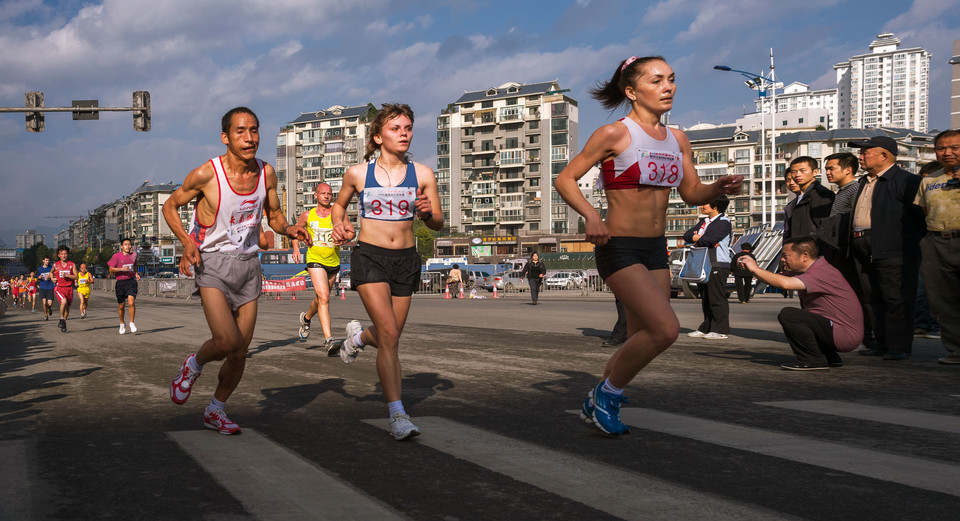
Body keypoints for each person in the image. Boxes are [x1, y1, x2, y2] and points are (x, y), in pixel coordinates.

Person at [554, 55, 743, 435]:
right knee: (666, 330)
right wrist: (592, 216)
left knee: (643, 336)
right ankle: (606, 394)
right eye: (657, 80)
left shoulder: (678, 139)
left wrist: (716, 188)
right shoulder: (615, 134)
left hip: (656, 248)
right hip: (619, 245)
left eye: (671, 79)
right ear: (631, 91)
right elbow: (565, 179)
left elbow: (691, 192)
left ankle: (598, 399)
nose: (668, 87)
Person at [163, 106, 311, 436]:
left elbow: (273, 216)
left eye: (254, 130)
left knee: (241, 351)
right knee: (227, 340)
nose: (249, 137)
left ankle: (215, 409)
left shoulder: (266, 173)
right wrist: (186, 241)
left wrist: (289, 230)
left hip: (248, 266)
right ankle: (193, 365)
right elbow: (170, 205)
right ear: (225, 137)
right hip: (213, 264)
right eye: (241, 131)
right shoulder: (207, 174)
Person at [330, 103, 443, 441]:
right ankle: (397, 414)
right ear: (378, 136)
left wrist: (427, 213)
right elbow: (339, 206)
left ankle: (357, 338)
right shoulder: (357, 174)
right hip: (370, 257)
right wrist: (340, 224)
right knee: (390, 336)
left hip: (407, 260)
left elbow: (437, 223)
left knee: (387, 336)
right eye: (396, 128)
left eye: (408, 127)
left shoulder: (423, 174)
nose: (404, 133)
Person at [848, 135, 925, 360]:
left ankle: (898, 346)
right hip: (861, 242)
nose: (861, 157)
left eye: (866, 152)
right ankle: (880, 342)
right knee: (871, 297)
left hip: (893, 247)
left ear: (884, 155)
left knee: (896, 297)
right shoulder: (863, 181)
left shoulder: (906, 180)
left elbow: (920, 218)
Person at [738, 237, 863, 370]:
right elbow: (779, 277)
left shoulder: (822, 272)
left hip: (844, 335)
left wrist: (755, 269)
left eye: (786, 256)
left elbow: (785, 283)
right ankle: (829, 357)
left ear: (805, 256)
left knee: (790, 315)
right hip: (837, 331)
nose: (782, 259)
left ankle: (813, 360)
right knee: (806, 314)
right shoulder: (812, 270)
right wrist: (753, 268)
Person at [914, 130, 960, 364]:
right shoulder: (929, 180)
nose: (947, 153)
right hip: (936, 241)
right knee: (942, 299)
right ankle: (956, 350)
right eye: (941, 148)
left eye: (954, 147)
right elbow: (925, 212)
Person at [291, 182, 341, 353]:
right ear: (316, 195)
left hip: (333, 261)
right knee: (325, 297)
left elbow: (350, 231)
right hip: (314, 259)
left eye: (329, 193)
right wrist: (296, 248)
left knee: (320, 299)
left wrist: (347, 237)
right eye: (323, 193)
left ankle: (306, 318)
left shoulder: (337, 214)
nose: (327, 196)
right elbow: (296, 232)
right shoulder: (307, 215)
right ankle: (329, 340)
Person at [683, 196, 733, 339]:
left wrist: (699, 238)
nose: (702, 205)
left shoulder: (723, 222)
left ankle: (720, 330)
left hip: (717, 263)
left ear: (715, 206)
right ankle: (706, 327)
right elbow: (686, 235)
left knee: (716, 297)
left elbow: (709, 239)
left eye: (705, 203)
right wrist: (700, 238)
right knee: (705, 297)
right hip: (704, 263)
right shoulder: (704, 221)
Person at [782, 156, 835, 240]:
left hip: (813, 250)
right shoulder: (797, 201)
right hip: (797, 249)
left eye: (802, 171)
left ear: (815, 172)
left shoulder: (821, 195)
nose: (797, 175)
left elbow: (825, 229)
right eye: (794, 172)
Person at [108, 238, 141, 334]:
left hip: (131, 282)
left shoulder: (134, 255)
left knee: (131, 302)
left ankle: (132, 322)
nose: (128, 246)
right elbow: (110, 269)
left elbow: (135, 265)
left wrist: (136, 273)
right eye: (125, 244)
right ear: (121, 246)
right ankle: (122, 323)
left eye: (129, 244)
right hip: (120, 283)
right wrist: (121, 269)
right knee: (121, 306)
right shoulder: (116, 256)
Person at [51, 245, 77, 332]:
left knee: (67, 308)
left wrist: (68, 275)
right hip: (59, 288)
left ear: (67, 254)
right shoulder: (56, 265)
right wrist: (52, 278)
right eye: (62, 254)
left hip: (69, 288)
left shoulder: (71, 264)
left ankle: (64, 322)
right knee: (63, 301)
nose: (64, 255)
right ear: (59, 255)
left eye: (65, 254)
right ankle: (61, 319)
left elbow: (76, 276)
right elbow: (51, 272)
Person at [36, 255, 55, 321]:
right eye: (46, 260)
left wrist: (50, 277)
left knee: (49, 304)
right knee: (44, 302)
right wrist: (39, 278)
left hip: (50, 287)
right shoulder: (40, 269)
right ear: (43, 261)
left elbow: (55, 276)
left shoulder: (51, 268)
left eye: (48, 260)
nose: (47, 261)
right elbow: (37, 276)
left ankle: (49, 308)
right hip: (42, 287)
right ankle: (45, 315)